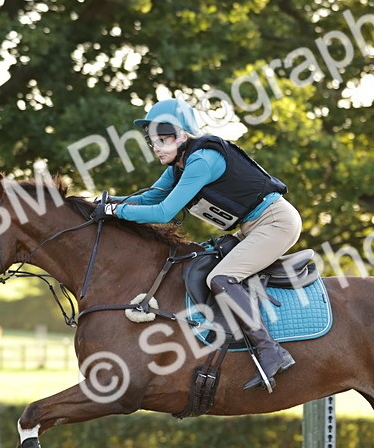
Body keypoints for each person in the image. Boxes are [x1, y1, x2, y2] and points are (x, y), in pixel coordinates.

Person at [101, 98, 301, 391]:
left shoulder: (202, 160)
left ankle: (271, 351)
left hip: (275, 223)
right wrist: (107, 202)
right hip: (253, 227)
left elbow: (163, 213)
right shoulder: (178, 166)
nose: (156, 146)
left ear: (182, 135)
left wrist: (114, 212)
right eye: (152, 141)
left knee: (220, 277)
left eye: (163, 138)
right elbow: (148, 199)